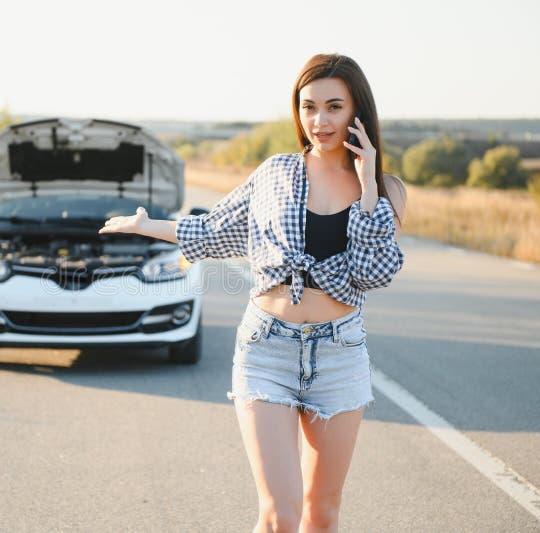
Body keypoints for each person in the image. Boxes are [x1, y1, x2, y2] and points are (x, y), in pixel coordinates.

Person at [99, 53, 406, 533]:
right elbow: (216, 229)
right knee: (280, 516)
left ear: (357, 112)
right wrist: (148, 226)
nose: (319, 121)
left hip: (340, 354)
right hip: (268, 349)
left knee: (321, 516)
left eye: (333, 107)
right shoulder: (276, 173)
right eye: (307, 107)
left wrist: (367, 190)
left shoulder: (386, 189)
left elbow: (372, 274)